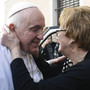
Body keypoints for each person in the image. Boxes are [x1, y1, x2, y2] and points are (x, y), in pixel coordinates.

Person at [1, 6, 90, 90]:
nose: (42, 37)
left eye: (59, 30)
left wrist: (15, 49)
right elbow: (53, 78)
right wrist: (37, 55)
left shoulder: (84, 71)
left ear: (73, 37)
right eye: (35, 29)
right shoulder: (69, 63)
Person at [0, 2, 66, 90]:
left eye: (42, 29)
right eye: (34, 29)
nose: (41, 36)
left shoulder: (29, 50)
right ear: (13, 28)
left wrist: (48, 63)